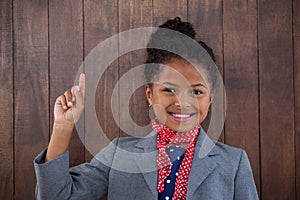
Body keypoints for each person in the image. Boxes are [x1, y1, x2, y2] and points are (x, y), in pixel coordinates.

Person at [34, 17, 259, 200]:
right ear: (149, 95)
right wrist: (63, 126)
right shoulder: (118, 155)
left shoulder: (233, 162)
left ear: (210, 99)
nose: (182, 102)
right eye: (169, 90)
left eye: (197, 92)